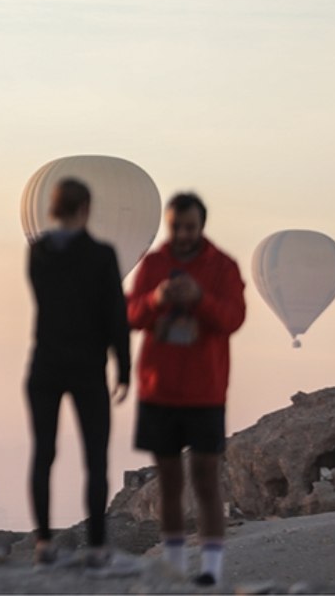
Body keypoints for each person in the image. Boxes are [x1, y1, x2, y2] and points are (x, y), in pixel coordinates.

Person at [126, 192, 246, 586]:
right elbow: (130, 314)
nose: (181, 234)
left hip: (205, 391)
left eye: (188, 227)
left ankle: (211, 568)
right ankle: (175, 565)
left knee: (206, 480)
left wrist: (201, 300)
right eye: (175, 227)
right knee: (169, 481)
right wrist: (156, 298)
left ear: (201, 226)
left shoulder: (223, 266)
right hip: (158, 389)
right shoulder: (154, 264)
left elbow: (233, 318)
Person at [26, 177, 131, 567]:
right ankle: (98, 544)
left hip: (46, 363)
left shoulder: (39, 252)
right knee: (95, 457)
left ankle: (42, 541)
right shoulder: (101, 256)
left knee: (43, 453)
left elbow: (45, 299)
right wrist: (124, 366)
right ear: (86, 208)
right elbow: (115, 315)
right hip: (88, 366)